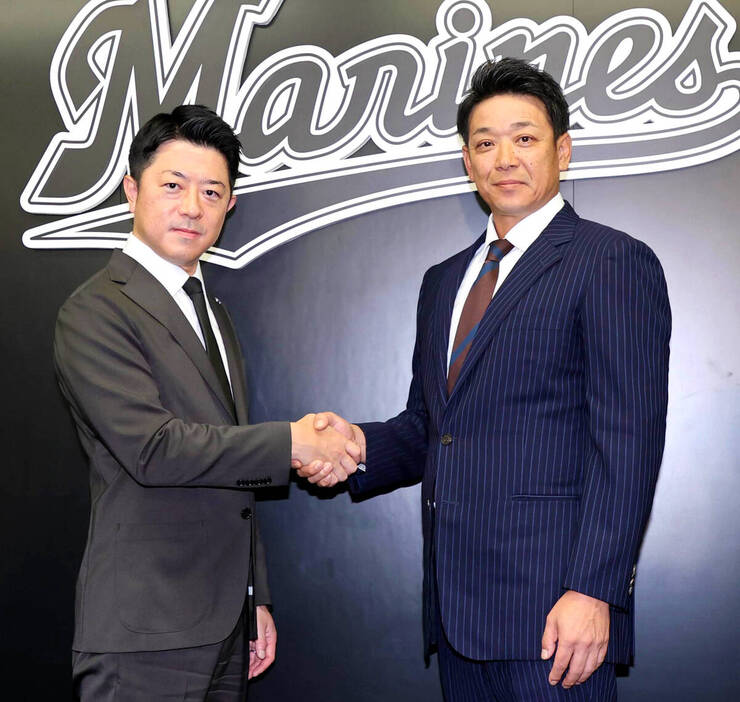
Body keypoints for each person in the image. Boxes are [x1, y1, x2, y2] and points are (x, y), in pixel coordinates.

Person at [298, 58, 671, 700]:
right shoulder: (443, 281)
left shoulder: (611, 259)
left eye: (524, 138)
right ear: (468, 162)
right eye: (485, 143)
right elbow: (431, 426)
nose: (505, 158)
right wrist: (356, 446)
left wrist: (594, 591)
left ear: (562, 150)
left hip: (557, 618)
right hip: (458, 613)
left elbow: (628, 441)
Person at [54, 104, 358, 700]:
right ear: (131, 190)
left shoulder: (212, 312)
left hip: (225, 627)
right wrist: (294, 442)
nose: (193, 206)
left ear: (230, 206)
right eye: (173, 185)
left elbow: (232, 468)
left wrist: (254, 595)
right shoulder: (94, 310)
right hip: (145, 629)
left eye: (212, 192)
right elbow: (153, 449)